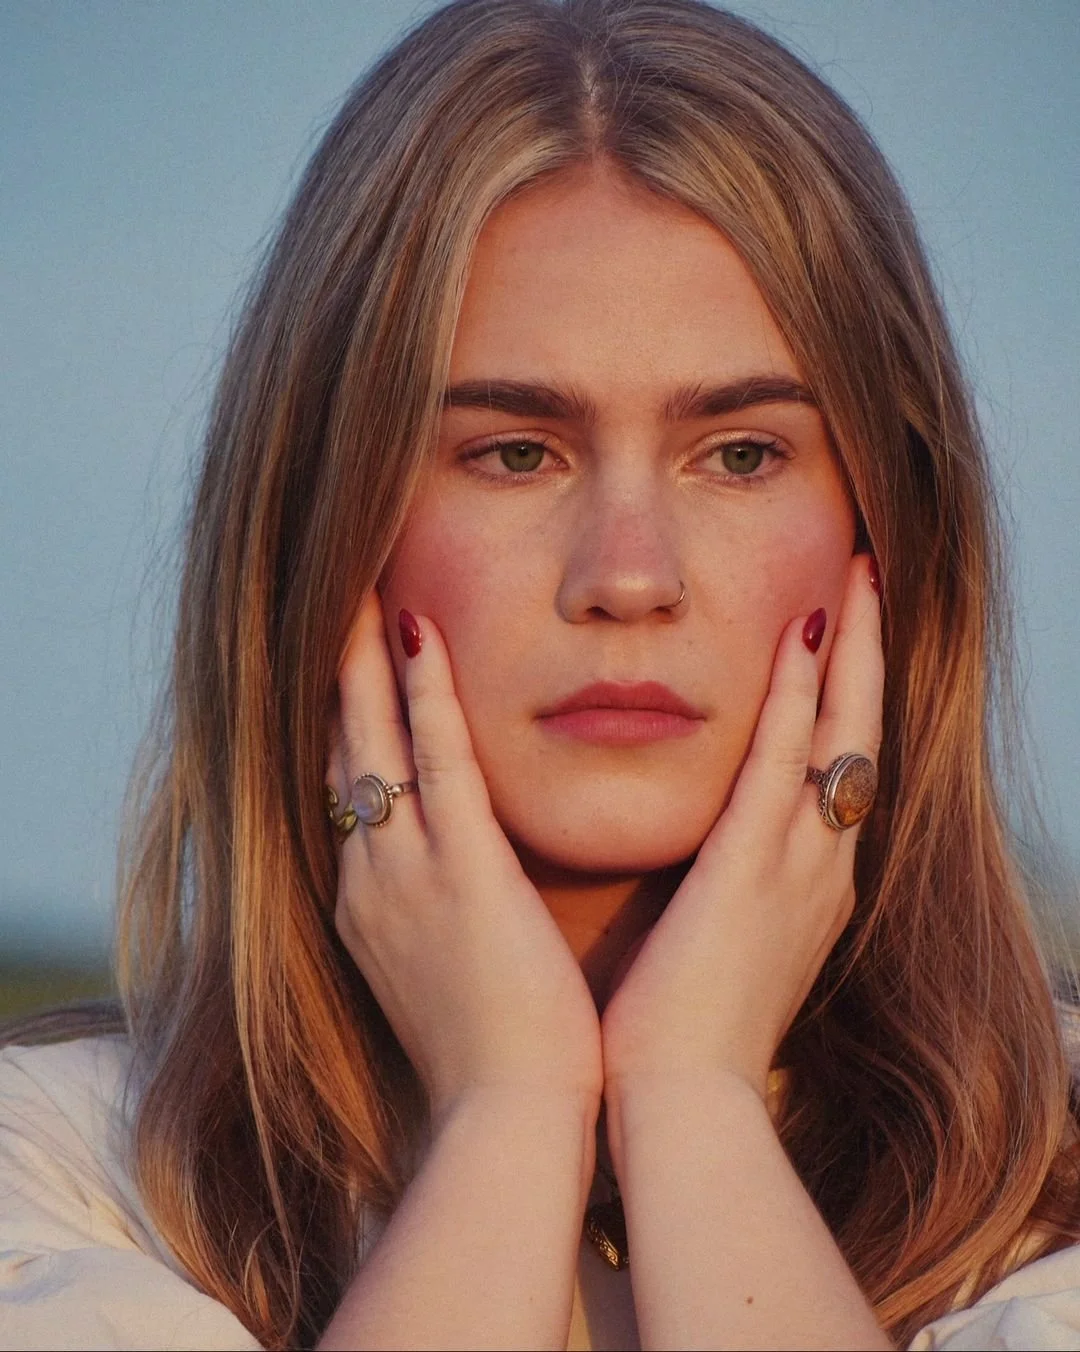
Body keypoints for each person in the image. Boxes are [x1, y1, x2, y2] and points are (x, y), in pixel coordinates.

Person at [2, 0, 1078, 1347]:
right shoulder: (61, 1179)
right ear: (322, 524)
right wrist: (504, 1114)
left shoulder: (1051, 1199)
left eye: (741, 453)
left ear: (889, 528)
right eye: (515, 453)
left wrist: (696, 1098)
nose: (629, 576)